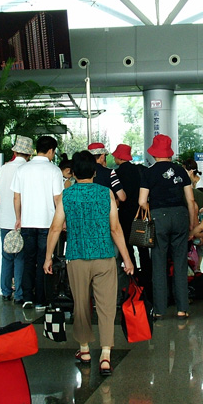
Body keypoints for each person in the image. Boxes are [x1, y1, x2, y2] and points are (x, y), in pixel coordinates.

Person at [43, 151, 134, 376]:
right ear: (94, 172)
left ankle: (84, 350)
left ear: (73, 173)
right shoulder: (106, 193)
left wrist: (48, 257)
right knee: (106, 306)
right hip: (104, 257)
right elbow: (115, 229)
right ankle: (105, 355)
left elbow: (55, 228)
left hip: (77, 257)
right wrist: (127, 258)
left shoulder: (67, 195)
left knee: (81, 305)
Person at [138, 134, 198, 319]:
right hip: (180, 216)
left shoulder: (148, 172)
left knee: (159, 263)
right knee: (180, 263)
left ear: (154, 153)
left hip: (159, 218)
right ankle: (182, 308)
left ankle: (160, 310)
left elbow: (142, 201)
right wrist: (192, 224)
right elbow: (191, 200)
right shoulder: (181, 171)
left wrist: (152, 212)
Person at [11, 135, 64, 310]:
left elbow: (16, 197)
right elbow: (58, 199)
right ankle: (41, 299)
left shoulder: (22, 170)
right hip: (47, 223)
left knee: (28, 260)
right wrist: (62, 220)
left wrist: (19, 218)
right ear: (50, 151)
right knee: (44, 260)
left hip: (27, 222)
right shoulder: (54, 171)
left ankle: (27, 297)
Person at [0, 135, 33, 302]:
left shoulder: (4, 169)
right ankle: (19, 293)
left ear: (15, 152)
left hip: (5, 220)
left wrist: (6, 209)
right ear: (29, 154)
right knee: (20, 258)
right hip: (23, 220)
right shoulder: (27, 170)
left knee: (7, 256)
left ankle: (5, 291)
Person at [112, 144, 152, 299]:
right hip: (140, 214)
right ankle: (147, 282)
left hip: (123, 216)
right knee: (143, 249)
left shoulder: (116, 173)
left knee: (127, 249)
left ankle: (133, 281)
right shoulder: (140, 170)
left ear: (119, 157)